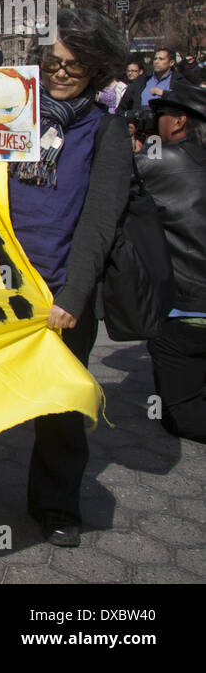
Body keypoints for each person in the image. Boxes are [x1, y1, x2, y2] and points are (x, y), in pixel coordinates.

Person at [0, 8, 131, 547]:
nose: (60, 73)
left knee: (60, 409)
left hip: (57, 293)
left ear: (98, 73)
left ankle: (56, 504)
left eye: (75, 67)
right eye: (54, 61)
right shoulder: (9, 109)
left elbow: (100, 220)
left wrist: (74, 295)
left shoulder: (105, 130)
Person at [136, 83, 206, 443]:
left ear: (178, 122)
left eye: (159, 117)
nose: (153, 125)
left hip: (184, 317)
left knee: (179, 415)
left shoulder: (161, 160)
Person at [120, 47, 173, 112]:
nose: (156, 62)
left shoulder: (177, 81)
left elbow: (184, 99)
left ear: (171, 63)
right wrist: (130, 119)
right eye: (155, 59)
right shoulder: (142, 80)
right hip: (142, 119)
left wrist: (163, 93)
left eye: (161, 59)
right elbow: (123, 106)